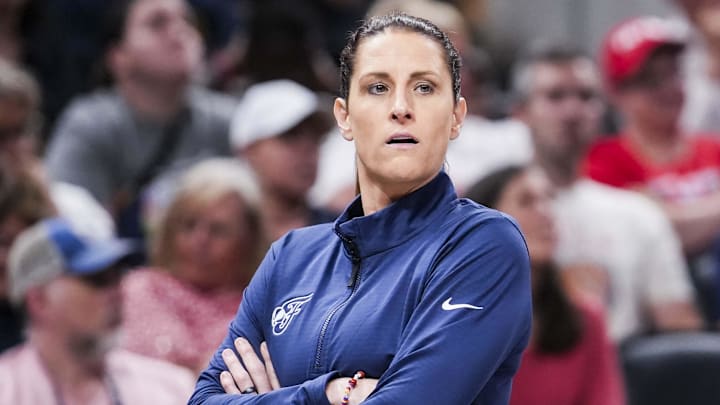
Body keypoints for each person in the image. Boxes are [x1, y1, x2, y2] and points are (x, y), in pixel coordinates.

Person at [189, 13, 532, 405]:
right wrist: (331, 394)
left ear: (456, 117)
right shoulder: (290, 258)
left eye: (424, 87)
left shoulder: (483, 245)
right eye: (378, 87)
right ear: (345, 116)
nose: (401, 107)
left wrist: (277, 397)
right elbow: (203, 401)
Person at [512, 40, 701, 341]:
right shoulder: (494, 210)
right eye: (555, 96)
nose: (573, 110)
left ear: (602, 109)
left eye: (586, 96)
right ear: (521, 112)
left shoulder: (639, 215)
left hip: (625, 374)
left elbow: (681, 333)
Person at [44, 0, 235, 243]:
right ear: (118, 57)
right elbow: (65, 228)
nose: (180, 31)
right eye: (157, 23)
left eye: (188, 21)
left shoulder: (230, 121)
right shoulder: (91, 125)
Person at [584, 16, 720, 323]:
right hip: (650, 313)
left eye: (674, 74)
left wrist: (670, 213)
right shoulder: (604, 160)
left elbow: (661, 220)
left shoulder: (713, 149)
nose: (668, 88)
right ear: (618, 93)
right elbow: (648, 232)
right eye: (651, 80)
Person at [467, 165, 626, 405]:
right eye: (526, 201)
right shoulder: (448, 321)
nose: (546, 213)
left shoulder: (585, 318)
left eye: (548, 199)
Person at [0, 217, 195, 404]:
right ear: (38, 300)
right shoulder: (7, 390)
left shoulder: (170, 387)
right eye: (97, 280)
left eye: (117, 277)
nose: (116, 292)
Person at [121, 158, 266, 373]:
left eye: (218, 230)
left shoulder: (262, 313)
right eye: (188, 225)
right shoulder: (137, 288)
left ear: (249, 241)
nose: (199, 241)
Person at [230, 79, 337, 241]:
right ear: (249, 150)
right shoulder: (216, 232)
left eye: (316, 137)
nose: (308, 148)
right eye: (290, 135)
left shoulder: (343, 233)